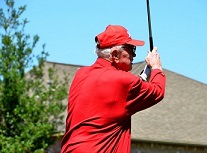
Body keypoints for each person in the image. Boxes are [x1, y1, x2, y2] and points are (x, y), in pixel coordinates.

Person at [61, 25, 166, 153]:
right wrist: (156, 67)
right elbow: (157, 91)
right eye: (131, 48)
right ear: (115, 54)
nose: (134, 54)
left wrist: (145, 75)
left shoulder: (81, 74)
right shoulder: (122, 81)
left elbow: (119, 94)